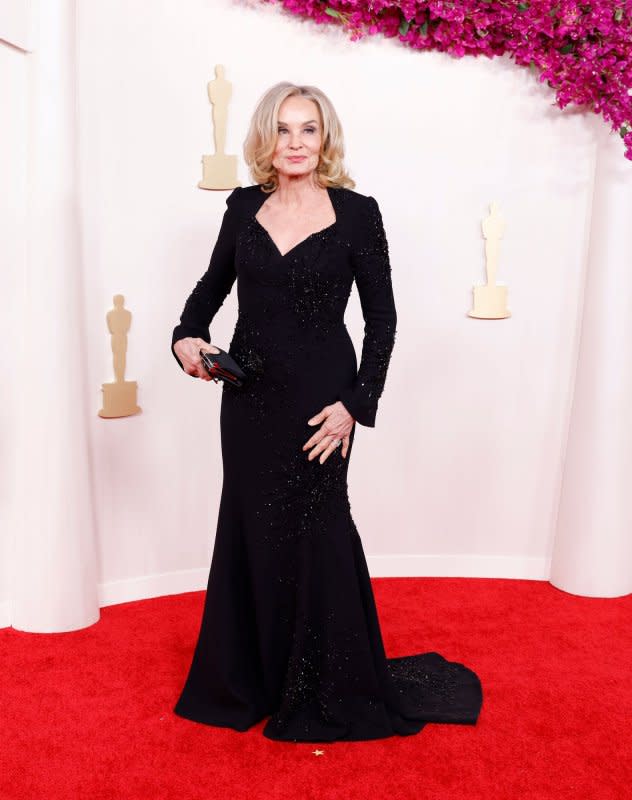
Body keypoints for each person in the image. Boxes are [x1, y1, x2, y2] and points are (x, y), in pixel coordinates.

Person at [171, 81, 483, 743]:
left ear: (326, 137)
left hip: (323, 403)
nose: (295, 144)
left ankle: (324, 682)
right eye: (283, 130)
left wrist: (355, 406)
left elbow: (383, 322)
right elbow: (204, 297)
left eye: (308, 130)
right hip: (248, 398)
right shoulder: (242, 207)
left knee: (317, 529)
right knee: (253, 528)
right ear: (266, 138)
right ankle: (250, 680)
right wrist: (186, 342)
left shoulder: (359, 213)